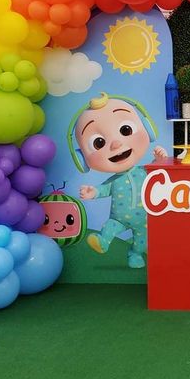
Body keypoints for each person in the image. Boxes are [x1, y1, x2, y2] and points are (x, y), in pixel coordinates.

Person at [72, 92, 166, 268]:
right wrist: (92, 192)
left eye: (125, 130)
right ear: (82, 159)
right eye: (98, 142)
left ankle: (135, 255)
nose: (115, 145)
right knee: (109, 227)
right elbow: (103, 189)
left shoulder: (144, 171)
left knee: (142, 241)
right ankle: (102, 241)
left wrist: (160, 161)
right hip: (118, 218)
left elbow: (157, 174)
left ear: (148, 129)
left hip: (144, 219)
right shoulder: (113, 180)